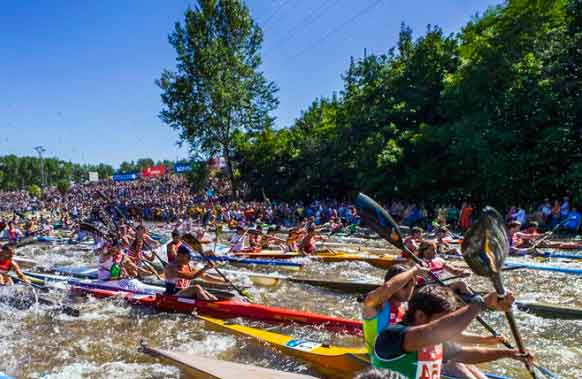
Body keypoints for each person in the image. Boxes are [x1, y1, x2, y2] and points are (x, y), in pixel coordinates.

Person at [372, 285, 533, 377]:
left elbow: (466, 354)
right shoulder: (392, 335)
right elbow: (439, 329)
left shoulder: (435, 342)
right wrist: (480, 303)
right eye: (443, 319)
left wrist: (508, 354)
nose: (447, 326)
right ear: (420, 315)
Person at [362, 265, 430, 356]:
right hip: (377, 359)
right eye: (405, 286)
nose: (409, 290)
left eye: (412, 285)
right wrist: (414, 270)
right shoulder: (376, 305)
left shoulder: (407, 307)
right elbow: (388, 287)